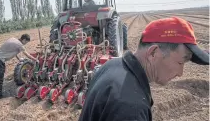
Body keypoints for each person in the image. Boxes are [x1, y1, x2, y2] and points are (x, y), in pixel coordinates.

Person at [78, 17, 209, 121]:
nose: (181, 73)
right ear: (153, 53)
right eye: (181, 62)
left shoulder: (112, 65)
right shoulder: (131, 109)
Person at [0, 34, 39, 99]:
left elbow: (13, 51)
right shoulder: (20, 45)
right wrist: (36, 60)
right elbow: (27, 54)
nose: (25, 44)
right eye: (26, 42)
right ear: (24, 40)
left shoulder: (13, 39)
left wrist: (19, 59)